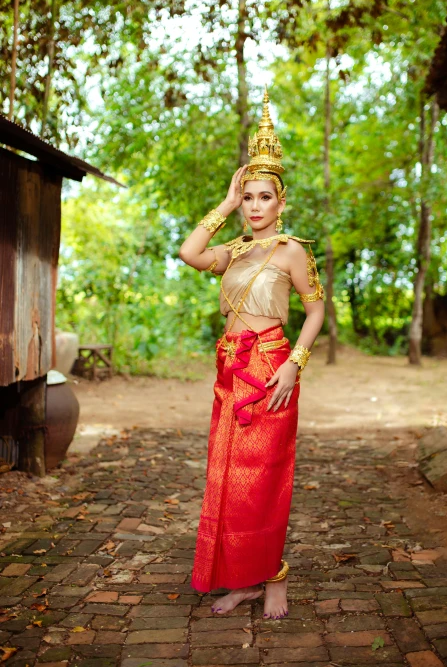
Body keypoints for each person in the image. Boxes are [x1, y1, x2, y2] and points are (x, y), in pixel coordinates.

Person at [179, 88, 325, 620]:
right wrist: (223, 202)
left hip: (271, 367)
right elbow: (188, 252)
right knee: (227, 477)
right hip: (230, 368)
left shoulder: (293, 252)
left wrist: (294, 364)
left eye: (266, 197)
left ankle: (274, 577)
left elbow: (315, 314)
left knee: (264, 477)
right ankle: (241, 579)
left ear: (281, 202)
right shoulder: (234, 252)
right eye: (249, 197)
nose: (257, 206)